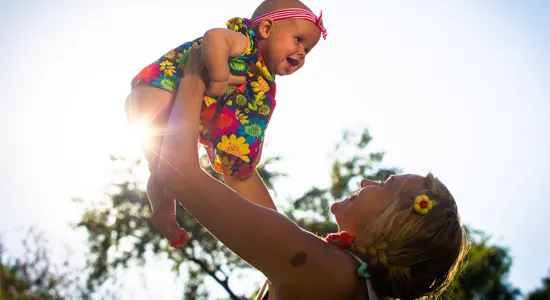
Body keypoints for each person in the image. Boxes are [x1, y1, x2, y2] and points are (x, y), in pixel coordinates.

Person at [153, 47, 469, 299]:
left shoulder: (329, 273)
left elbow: (179, 173)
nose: (366, 181)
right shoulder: (334, 275)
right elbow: (238, 174)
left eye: (385, 184)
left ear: (394, 222)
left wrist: (193, 74)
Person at [124, 0, 327, 247]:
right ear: (266, 29)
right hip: (159, 90)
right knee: (163, 160)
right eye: (298, 40)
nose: (302, 52)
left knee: (161, 166)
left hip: (176, 111)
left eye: (308, 49)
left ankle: (162, 210)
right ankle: (164, 201)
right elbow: (213, 38)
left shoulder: (259, 81)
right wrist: (219, 76)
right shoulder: (244, 42)